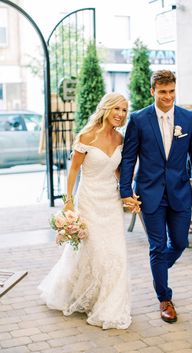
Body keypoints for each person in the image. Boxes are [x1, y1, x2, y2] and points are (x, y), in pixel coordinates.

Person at [120, 70, 192, 324]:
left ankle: (158, 270)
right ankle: (164, 298)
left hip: (180, 193)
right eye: (162, 92)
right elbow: (129, 158)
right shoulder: (138, 119)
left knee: (180, 243)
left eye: (171, 92)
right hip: (150, 194)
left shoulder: (188, 118)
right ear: (153, 91)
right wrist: (126, 192)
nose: (168, 97)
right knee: (157, 247)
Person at [39, 93, 133, 330]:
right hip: (89, 200)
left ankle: (110, 305)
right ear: (106, 109)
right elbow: (73, 171)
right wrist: (68, 202)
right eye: (117, 109)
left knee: (116, 254)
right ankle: (83, 294)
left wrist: (128, 195)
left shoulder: (121, 139)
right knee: (94, 252)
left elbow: (119, 173)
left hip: (111, 202)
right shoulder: (87, 136)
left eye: (124, 110)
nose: (121, 114)